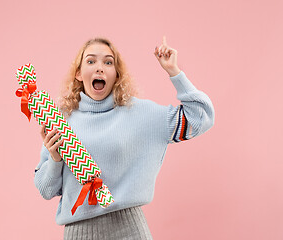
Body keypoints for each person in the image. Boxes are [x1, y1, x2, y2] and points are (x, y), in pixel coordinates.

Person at [34, 36, 215, 239]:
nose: (100, 68)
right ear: (78, 73)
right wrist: (55, 159)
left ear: (117, 75)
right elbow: (46, 190)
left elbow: (201, 117)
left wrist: (174, 72)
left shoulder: (141, 114)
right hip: (78, 233)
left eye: (108, 62)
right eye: (91, 61)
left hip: (129, 230)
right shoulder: (61, 121)